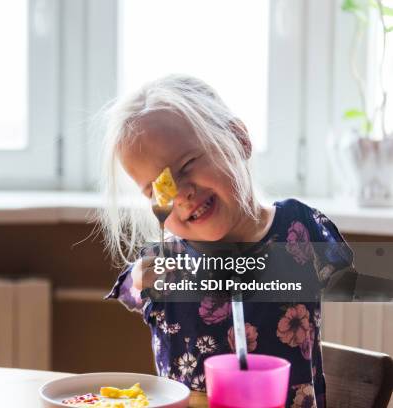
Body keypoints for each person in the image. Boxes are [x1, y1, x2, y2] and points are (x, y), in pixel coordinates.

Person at [98, 74, 355, 408]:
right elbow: (134, 287)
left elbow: (343, 269)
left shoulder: (299, 229)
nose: (181, 194)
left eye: (188, 164)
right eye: (157, 189)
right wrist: (138, 277)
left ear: (239, 139)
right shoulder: (167, 262)